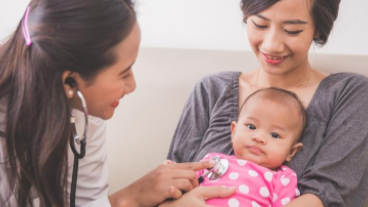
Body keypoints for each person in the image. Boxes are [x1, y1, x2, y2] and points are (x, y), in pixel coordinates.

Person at [0, 0, 236, 206]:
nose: (132, 86)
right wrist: (130, 198)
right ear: (70, 82)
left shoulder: (83, 111)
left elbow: (87, 202)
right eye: (124, 73)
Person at [167, 0, 368, 206]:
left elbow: (331, 193)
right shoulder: (212, 90)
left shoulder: (350, 93)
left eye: (292, 30)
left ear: (318, 29)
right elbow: (169, 181)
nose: (271, 45)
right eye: (260, 25)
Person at [165, 88, 305, 206]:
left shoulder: (284, 178)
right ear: (233, 131)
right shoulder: (213, 160)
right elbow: (185, 183)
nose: (258, 138)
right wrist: (172, 173)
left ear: (291, 152)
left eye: (274, 135)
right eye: (251, 126)